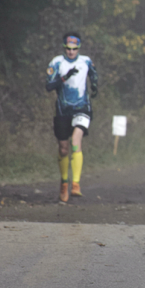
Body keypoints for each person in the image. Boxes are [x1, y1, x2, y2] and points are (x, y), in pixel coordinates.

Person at [45, 32, 98, 203]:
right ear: (64, 47)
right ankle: (64, 182)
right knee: (63, 148)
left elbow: (93, 74)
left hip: (82, 108)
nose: (71, 52)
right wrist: (64, 77)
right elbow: (48, 86)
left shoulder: (86, 61)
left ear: (79, 48)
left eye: (75, 49)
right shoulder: (56, 62)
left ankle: (76, 184)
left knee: (76, 140)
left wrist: (95, 85)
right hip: (62, 110)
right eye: (68, 49)